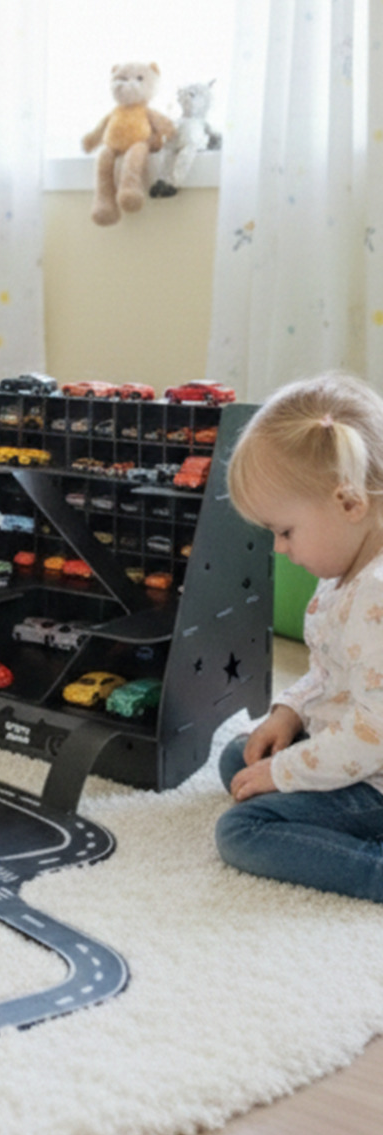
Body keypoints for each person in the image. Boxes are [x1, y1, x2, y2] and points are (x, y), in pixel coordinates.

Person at [215, 371, 383, 902]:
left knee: (243, 830)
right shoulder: (343, 570)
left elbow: (373, 734)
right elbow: (329, 674)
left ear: (349, 504)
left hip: (375, 768)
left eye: (285, 531)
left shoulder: (377, 595)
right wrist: (289, 712)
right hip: (358, 744)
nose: (279, 549)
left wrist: (286, 773)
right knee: (239, 759)